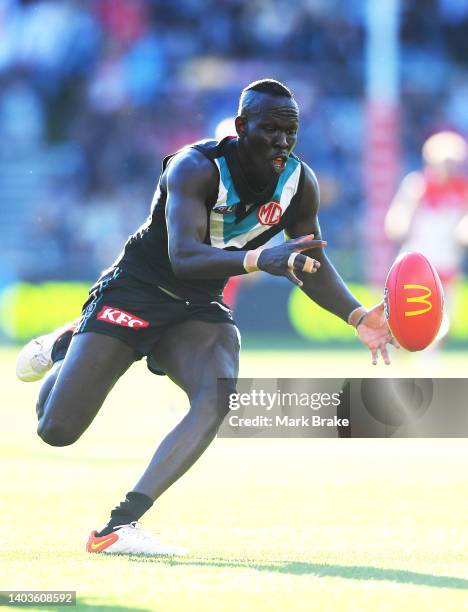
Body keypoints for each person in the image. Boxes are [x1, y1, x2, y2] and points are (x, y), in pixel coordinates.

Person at [16, 79, 394, 555]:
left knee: (217, 394)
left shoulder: (301, 183)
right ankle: (66, 345)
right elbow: (183, 257)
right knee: (57, 431)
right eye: (271, 129)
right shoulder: (194, 166)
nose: (281, 141)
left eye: (290, 131)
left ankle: (119, 526)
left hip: (197, 307)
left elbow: (308, 263)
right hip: (138, 290)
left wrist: (358, 316)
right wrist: (261, 260)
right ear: (241, 127)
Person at [385, 131, 468, 339]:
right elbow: (395, 223)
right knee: (401, 316)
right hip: (415, 262)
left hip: (446, 262)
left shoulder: (462, 188)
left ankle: (428, 362)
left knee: (441, 321)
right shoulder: (417, 185)